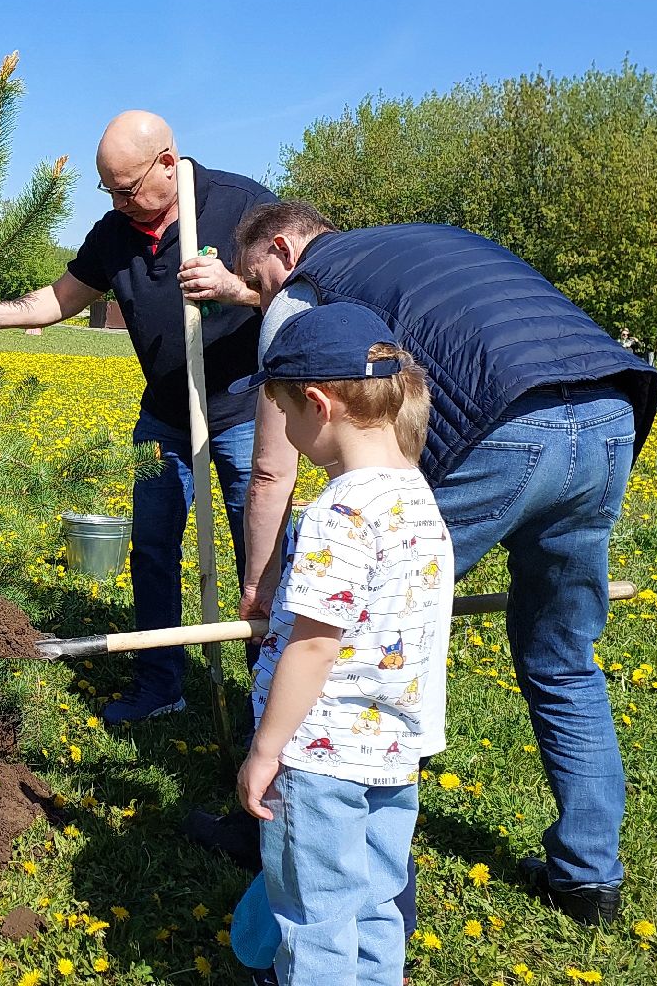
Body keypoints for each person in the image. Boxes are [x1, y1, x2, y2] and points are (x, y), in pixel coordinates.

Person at [184, 200, 657, 925]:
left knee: (344, 633)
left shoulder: (302, 297)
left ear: (281, 250)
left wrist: (263, 585)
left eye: (259, 281)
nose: (265, 299)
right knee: (563, 659)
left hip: (506, 426)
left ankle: (283, 826)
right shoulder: (423, 244)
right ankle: (589, 877)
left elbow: (273, 470)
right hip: (607, 410)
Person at [0, 110, 276, 724]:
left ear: (168, 164)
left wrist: (235, 288)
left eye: (127, 189)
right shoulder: (115, 232)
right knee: (152, 548)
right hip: (165, 415)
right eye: (110, 191)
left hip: (244, 412)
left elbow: (304, 287)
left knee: (259, 553)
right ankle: (160, 682)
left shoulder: (243, 207)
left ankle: (271, 692)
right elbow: (61, 298)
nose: (119, 203)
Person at [233, 303, 451, 986]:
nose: (286, 431)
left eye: (284, 413)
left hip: (318, 756)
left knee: (314, 917)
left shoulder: (340, 509)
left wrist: (266, 750)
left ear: (319, 405)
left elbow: (314, 647)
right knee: (377, 902)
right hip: (393, 749)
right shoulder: (417, 498)